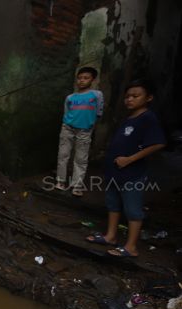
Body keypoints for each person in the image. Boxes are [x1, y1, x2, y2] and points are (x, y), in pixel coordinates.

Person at [85, 79, 166, 257]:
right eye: (128, 96)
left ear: (149, 98)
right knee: (113, 204)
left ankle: (131, 247)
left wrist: (130, 159)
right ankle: (111, 236)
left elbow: (158, 143)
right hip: (115, 171)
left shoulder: (148, 118)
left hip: (132, 173)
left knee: (133, 209)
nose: (130, 99)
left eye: (135, 96)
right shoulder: (129, 118)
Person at [55, 67, 104, 197]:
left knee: (81, 158)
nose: (82, 81)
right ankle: (60, 181)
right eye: (79, 78)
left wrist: (90, 126)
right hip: (68, 128)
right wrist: (66, 124)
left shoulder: (97, 95)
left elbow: (98, 113)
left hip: (85, 130)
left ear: (93, 80)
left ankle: (77, 186)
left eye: (86, 78)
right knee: (63, 155)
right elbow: (66, 113)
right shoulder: (70, 97)